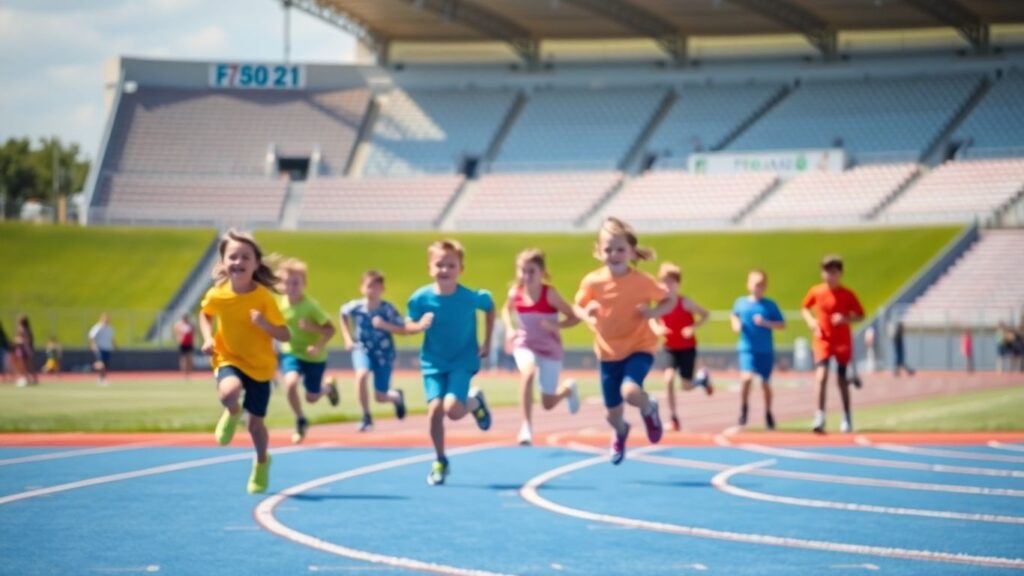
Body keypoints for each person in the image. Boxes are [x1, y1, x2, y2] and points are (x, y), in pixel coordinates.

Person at [574, 217, 675, 465]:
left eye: (620, 249)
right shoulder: (593, 282)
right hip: (608, 354)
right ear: (599, 252)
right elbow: (577, 305)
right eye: (608, 249)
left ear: (631, 251)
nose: (614, 254)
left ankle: (649, 408)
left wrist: (653, 313)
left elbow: (669, 299)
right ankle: (620, 431)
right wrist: (587, 312)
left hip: (639, 347)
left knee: (629, 391)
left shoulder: (642, 282)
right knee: (612, 415)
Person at [199, 230, 290, 494]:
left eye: (245, 257)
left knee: (255, 426)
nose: (238, 262)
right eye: (233, 256)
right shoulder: (217, 294)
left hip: (261, 367)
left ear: (256, 264)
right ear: (223, 262)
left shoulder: (263, 298)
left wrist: (264, 324)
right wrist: (208, 339)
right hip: (229, 357)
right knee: (229, 392)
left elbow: (285, 334)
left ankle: (262, 461)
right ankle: (232, 410)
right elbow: (205, 314)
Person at [404, 239, 494, 485]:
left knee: (452, 410)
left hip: (462, 360)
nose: (445, 270)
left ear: (460, 269)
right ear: (430, 268)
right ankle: (440, 459)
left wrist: (486, 342)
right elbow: (407, 323)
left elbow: (489, 305)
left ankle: (474, 402)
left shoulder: (468, 297)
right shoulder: (420, 298)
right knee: (434, 411)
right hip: (433, 362)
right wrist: (418, 325)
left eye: (451, 265)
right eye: (439, 264)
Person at [502, 248, 581, 446]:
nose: (526, 276)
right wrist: (510, 328)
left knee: (547, 403)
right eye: (522, 271)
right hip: (525, 343)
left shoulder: (550, 294)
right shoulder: (515, 293)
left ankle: (567, 390)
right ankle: (526, 426)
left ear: (542, 273)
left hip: (550, 349)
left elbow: (574, 317)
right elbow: (505, 309)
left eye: (531, 271)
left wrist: (556, 325)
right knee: (527, 373)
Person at [277, 258, 339, 444]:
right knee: (290, 384)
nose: (291, 287)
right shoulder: (279, 303)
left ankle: (328, 388)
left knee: (311, 397)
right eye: (287, 282)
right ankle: (300, 419)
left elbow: (331, 330)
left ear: (304, 284)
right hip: (291, 352)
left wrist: (315, 336)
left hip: (314, 356)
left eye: (296, 283)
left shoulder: (311, 306)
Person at [339, 270, 408, 432]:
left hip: (384, 353)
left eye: (376, 287)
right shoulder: (356, 307)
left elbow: (403, 329)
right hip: (363, 349)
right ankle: (366, 416)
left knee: (380, 396)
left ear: (382, 289)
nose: (372, 291)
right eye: (369, 286)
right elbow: (343, 313)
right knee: (361, 375)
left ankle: (396, 397)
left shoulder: (387, 309)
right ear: (362, 288)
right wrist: (348, 338)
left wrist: (385, 326)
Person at [802, 255, 865, 434]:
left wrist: (845, 318)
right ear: (823, 274)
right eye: (827, 272)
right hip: (823, 340)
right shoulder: (816, 291)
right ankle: (819, 417)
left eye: (834, 272)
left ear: (840, 274)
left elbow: (860, 314)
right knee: (821, 376)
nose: (831, 276)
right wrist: (811, 322)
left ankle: (846, 417)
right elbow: (804, 307)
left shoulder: (847, 294)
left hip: (842, 341)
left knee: (841, 379)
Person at [649, 262, 712, 432]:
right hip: (669, 348)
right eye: (663, 282)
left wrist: (693, 328)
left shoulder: (686, 302)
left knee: (686, 386)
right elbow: (652, 319)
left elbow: (706, 314)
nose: (666, 286)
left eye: (670, 282)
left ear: (678, 284)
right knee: (668, 379)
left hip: (687, 348)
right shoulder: (660, 304)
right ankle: (673, 418)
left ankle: (701, 380)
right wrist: (658, 329)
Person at [731, 269, 786, 430]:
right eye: (756, 284)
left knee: (765, 383)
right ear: (749, 285)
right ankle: (744, 408)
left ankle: (768, 412)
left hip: (765, 350)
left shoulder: (769, 305)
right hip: (747, 349)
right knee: (746, 379)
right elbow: (734, 315)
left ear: (765, 286)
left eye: (761, 285)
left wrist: (766, 323)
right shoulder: (741, 302)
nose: (758, 288)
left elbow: (782, 324)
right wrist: (736, 324)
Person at [89, 313, 116, 386]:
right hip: (99, 348)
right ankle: (101, 378)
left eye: (108, 318)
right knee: (101, 364)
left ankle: (101, 377)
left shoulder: (110, 328)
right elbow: (92, 336)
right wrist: (93, 345)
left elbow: (112, 338)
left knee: (106, 364)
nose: (107, 320)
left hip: (107, 348)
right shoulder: (98, 327)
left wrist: (115, 345)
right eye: (105, 318)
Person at [15, 315, 38, 385]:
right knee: (28, 365)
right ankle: (31, 378)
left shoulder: (22, 329)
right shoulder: (28, 329)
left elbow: (22, 339)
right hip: (26, 349)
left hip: (23, 349)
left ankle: (28, 378)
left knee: (24, 365)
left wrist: (17, 341)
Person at [175, 314, 196, 379]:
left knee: (189, 358)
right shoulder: (179, 324)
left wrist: (193, 341)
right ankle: (184, 374)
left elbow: (194, 333)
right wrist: (179, 339)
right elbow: (177, 333)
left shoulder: (191, 325)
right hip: (182, 343)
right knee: (183, 359)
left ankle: (189, 373)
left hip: (189, 343)